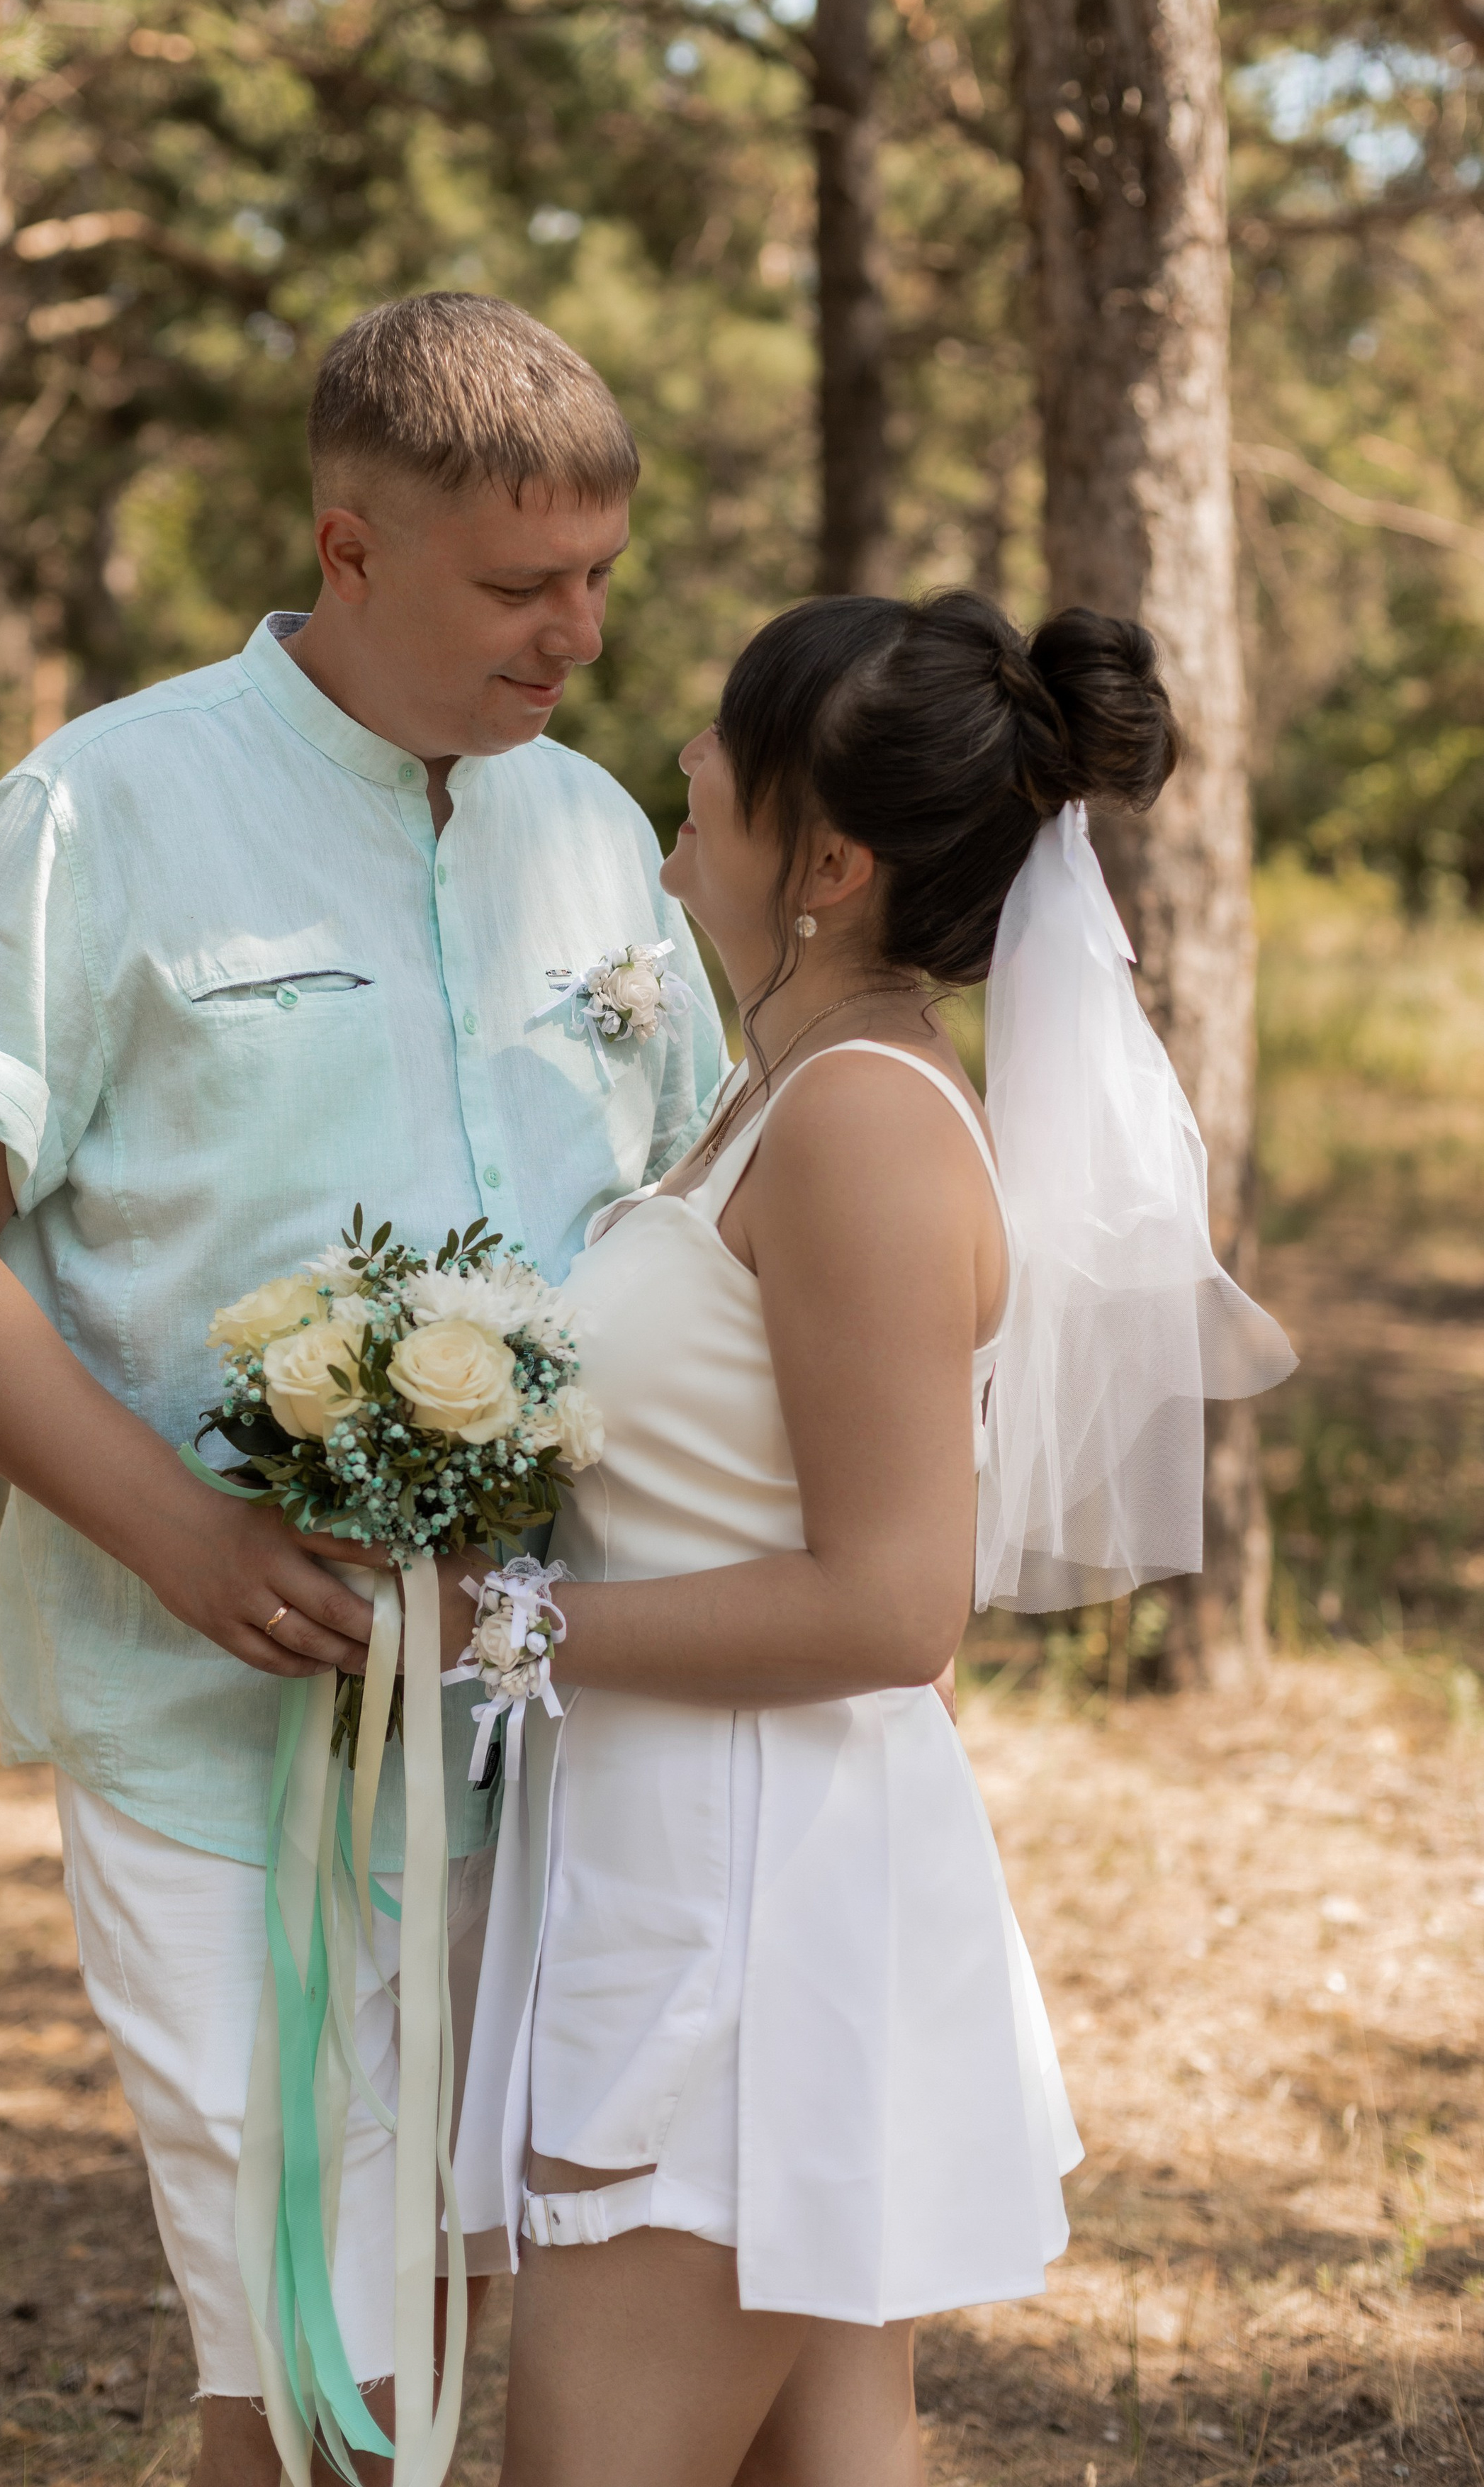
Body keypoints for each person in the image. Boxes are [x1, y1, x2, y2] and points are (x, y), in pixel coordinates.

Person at [0, 292, 725, 2487]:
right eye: (525, 586)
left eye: (600, 576)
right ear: (348, 548)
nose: (578, 636)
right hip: (213, 1721)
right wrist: (192, 1537)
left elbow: (702, 1199)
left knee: (416, 2322)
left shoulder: (600, 832)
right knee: (324, 2370)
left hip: (546, 1726)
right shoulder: (96, 812)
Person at [449, 588, 1290, 2487]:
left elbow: (900, 1600)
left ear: (824, 857)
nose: (684, 757)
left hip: (743, 1911)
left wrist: (490, 1614)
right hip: (724, 1865)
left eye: (725, 749)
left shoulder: (862, 1129)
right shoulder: (790, 1089)